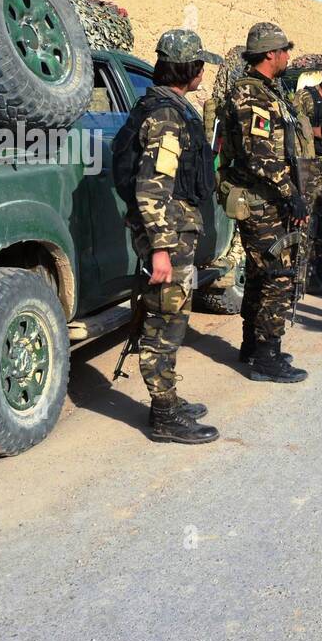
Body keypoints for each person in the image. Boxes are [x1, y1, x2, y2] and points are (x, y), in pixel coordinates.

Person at [125, 29, 222, 444]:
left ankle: (168, 398)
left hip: (177, 231)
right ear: (189, 68)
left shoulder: (172, 108)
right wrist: (161, 250)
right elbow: (151, 187)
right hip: (168, 236)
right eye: (200, 64)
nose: (203, 71)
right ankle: (164, 415)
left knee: (173, 319)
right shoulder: (166, 117)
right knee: (163, 324)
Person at [219, 22, 311, 383]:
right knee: (277, 274)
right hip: (261, 201)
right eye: (285, 50)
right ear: (271, 54)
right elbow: (259, 156)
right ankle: (267, 356)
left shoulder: (270, 92)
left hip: (268, 198)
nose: (288, 55)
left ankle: (253, 346)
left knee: (260, 273)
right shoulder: (251, 96)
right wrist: (292, 195)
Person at [293, 54, 322, 297]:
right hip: (309, 166)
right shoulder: (306, 96)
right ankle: (304, 275)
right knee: (308, 224)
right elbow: (297, 125)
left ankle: (319, 271)